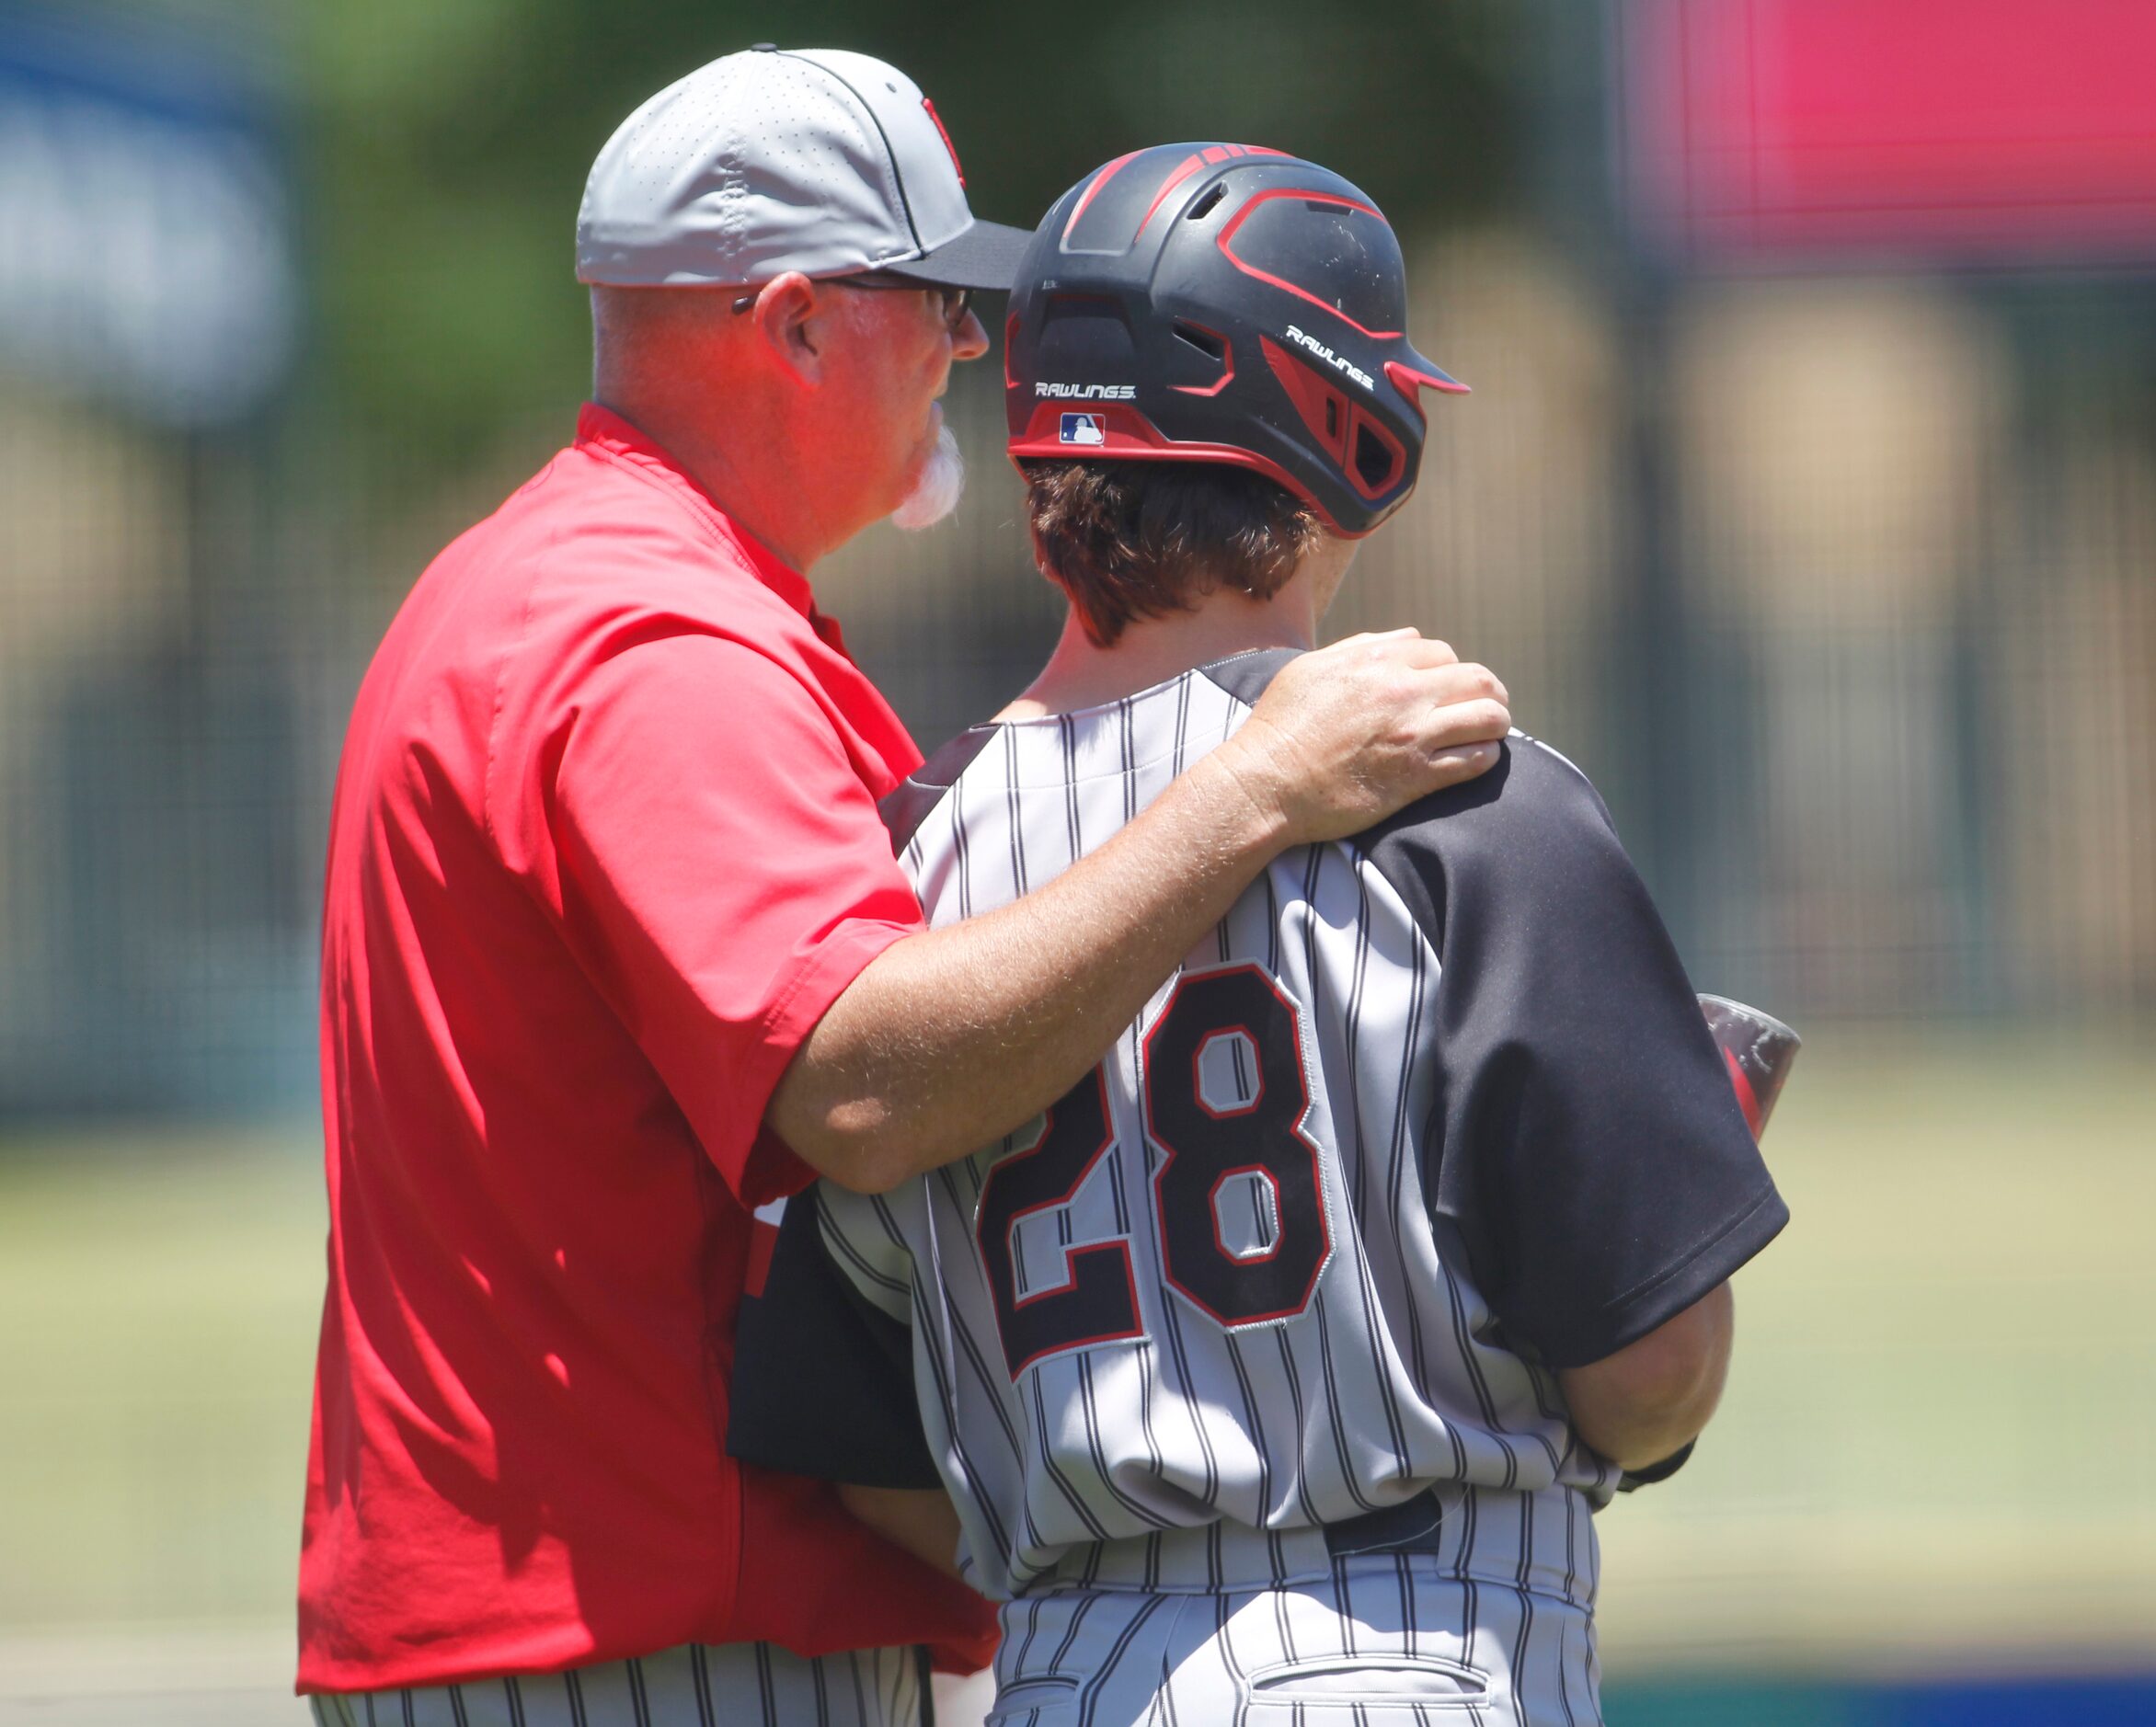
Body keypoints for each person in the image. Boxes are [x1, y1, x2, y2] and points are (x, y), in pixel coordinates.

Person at [298, 51, 1515, 1727]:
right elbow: (861, 1079)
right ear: (795, 325)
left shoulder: (561, 581)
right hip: (645, 1620)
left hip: (592, 1610)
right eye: (932, 299)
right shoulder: (651, 643)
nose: (970, 345)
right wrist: (1257, 791)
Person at [728, 143, 1789, 1726]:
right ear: (1353, 433)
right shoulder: (1468, 800)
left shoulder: (906, 862)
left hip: (1072, 1669)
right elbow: (1649, 1378)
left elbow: (878, 1470)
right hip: (1426, 1642)